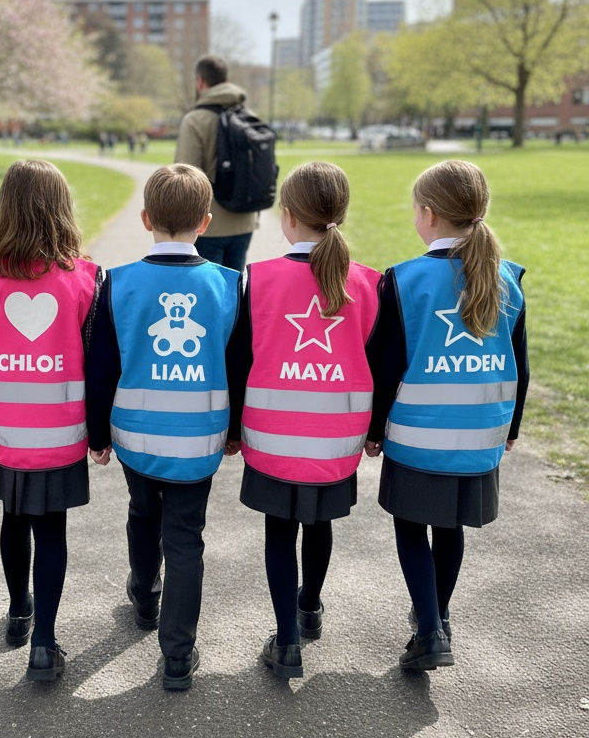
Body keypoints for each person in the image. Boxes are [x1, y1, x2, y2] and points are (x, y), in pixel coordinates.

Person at [365, 159, 529, 671]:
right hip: (481, 433)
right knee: (450, 527)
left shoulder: (406, 279)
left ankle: (431, 629)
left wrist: (371, 431)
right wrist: (512, 429)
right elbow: (520, 364)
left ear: (429, 214)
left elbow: (384, 365)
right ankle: (438, 616)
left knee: (412, 527)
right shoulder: (509, 278)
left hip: (419, 433)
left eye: (416, 209)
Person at [85, 164, 242, 691]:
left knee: (142, 511)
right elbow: (238, 366)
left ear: (146, 217)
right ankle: (178, 654)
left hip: (136, 436)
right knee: (185, 538)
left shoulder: (118, 282)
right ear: (206, 221)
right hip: (200, 437)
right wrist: (236, 430)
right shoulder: (228, 286)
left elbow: (101, 365)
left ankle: (143, 592)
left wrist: (97, 435)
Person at [227, 162, 381, 679]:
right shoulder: (369, 283)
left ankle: (287, 640)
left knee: (279, 532)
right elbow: (377, 363)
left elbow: (240, 358)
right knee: (319, 525)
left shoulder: (262, 278)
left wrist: (230, 429)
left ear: (287, 217)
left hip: (273, 436)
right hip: (337, 437)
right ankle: (310, 607)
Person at [0, 159, 101, 683]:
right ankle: (44, 642)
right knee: (51, 530)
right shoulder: (84, 278)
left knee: (14, 519)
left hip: (3, 434)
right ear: (62, 211)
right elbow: (92, 356)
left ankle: (19, 612)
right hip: (61, 432)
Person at [175, 55, 256, 271]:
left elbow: (185, 177)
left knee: (208, 292)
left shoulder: (195, 119)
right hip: (245, 220)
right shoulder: (249, 116)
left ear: (200, 81)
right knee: (234, 289)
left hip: (208, 225)